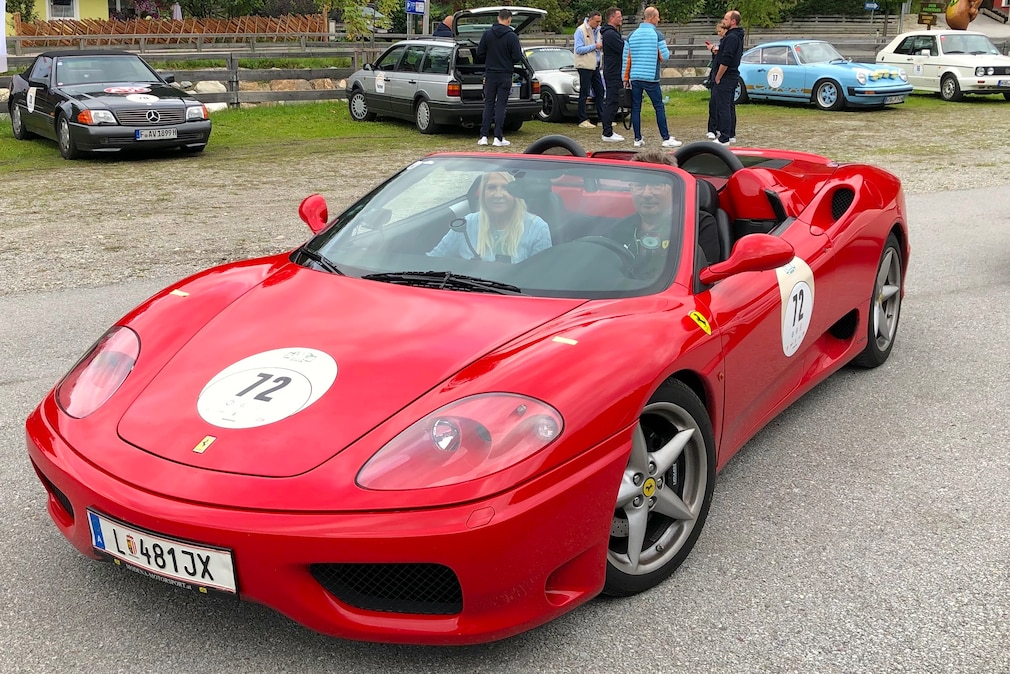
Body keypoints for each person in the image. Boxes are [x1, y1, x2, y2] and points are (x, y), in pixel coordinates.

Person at [428, 172, 552, 263]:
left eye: (506, 188)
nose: (498, 195)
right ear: (483, 193)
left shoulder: (538, 228)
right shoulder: (466, 225)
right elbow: (432, 261)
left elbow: (543, 276)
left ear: (516, 193)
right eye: (492, 188)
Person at [622, 7, 681, 149]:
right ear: (652, 17)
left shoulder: (631, 35)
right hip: (650, 77)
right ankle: (665, 138)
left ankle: (637, 138)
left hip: (635, 76)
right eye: (658, 17)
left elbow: (626, 58)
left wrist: (625, 77)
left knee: (636, 107)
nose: (659, 20)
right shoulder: (657, 35)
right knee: (659, 107)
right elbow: (665, 57)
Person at [477, 9, 523, 147]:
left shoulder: (487, 34)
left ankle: (483, 136)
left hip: (490, 74)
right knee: (501, 105)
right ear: (509, 20)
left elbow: (480, 53)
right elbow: (517, 57)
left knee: (488, 104)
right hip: (505, 75)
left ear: (498, 18)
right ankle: (498, 137)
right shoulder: (512, 36)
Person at [712, 10, 744, 145]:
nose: (723, 21)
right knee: (730, 105)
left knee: (723, 106)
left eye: (726, 19)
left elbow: (727, 59)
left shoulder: (731, 37)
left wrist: (718, 76)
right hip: (732, 75)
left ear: (733, 21)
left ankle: (724, 137)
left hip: (727, 75)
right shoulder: (735, 36)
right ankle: (730, 133)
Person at [574, 11, 606, 130]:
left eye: (600, 22)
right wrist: (595, 46)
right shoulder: (580, 30)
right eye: (596, 21)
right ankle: (582, 119)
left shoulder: (598, 30)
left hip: (595, 64)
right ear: (590, 19)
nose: (598, 24)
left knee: (600, 90)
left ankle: (601, 118)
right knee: (585, 92)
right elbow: (578, 49)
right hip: (584, 65)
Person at [599, 7, 625, 142]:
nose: (621, 18)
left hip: (615, 70)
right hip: (613, 72)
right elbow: (623, 49)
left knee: (613, 100)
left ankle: (608, 130)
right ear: (611, 18)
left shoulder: (613, 33)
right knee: (612, 101)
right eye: (618, 16)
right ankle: (607, 133)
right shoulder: (610, 34)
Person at [705, 20, 727, 140]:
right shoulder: (722, 43)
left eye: (720, 31)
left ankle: (719, 127)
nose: (719, 33)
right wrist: (713, 52)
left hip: (721, 76)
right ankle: (712, 128)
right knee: (713, 103)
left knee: (720, 104)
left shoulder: (727, 42)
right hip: (715, 74)